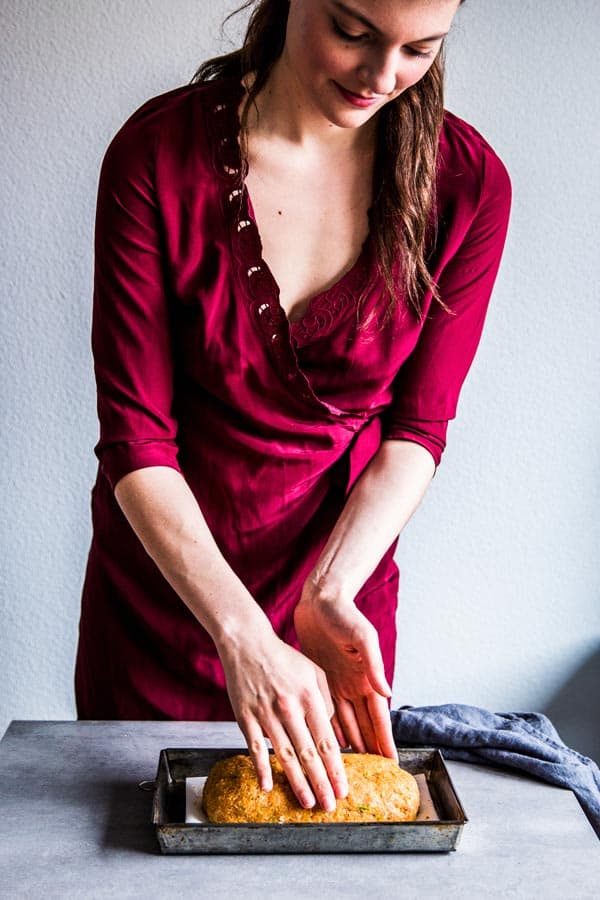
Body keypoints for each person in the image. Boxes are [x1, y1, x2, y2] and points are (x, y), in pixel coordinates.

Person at [75, 0, 511, 814]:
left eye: (420, 49)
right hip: (168, 602)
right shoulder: (155, 157)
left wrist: (329, 591)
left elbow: (417, 429)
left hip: (335, 593)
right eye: (353, 31)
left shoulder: (468, 184)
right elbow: (135, 439)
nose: (383, 77)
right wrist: (239, 632)